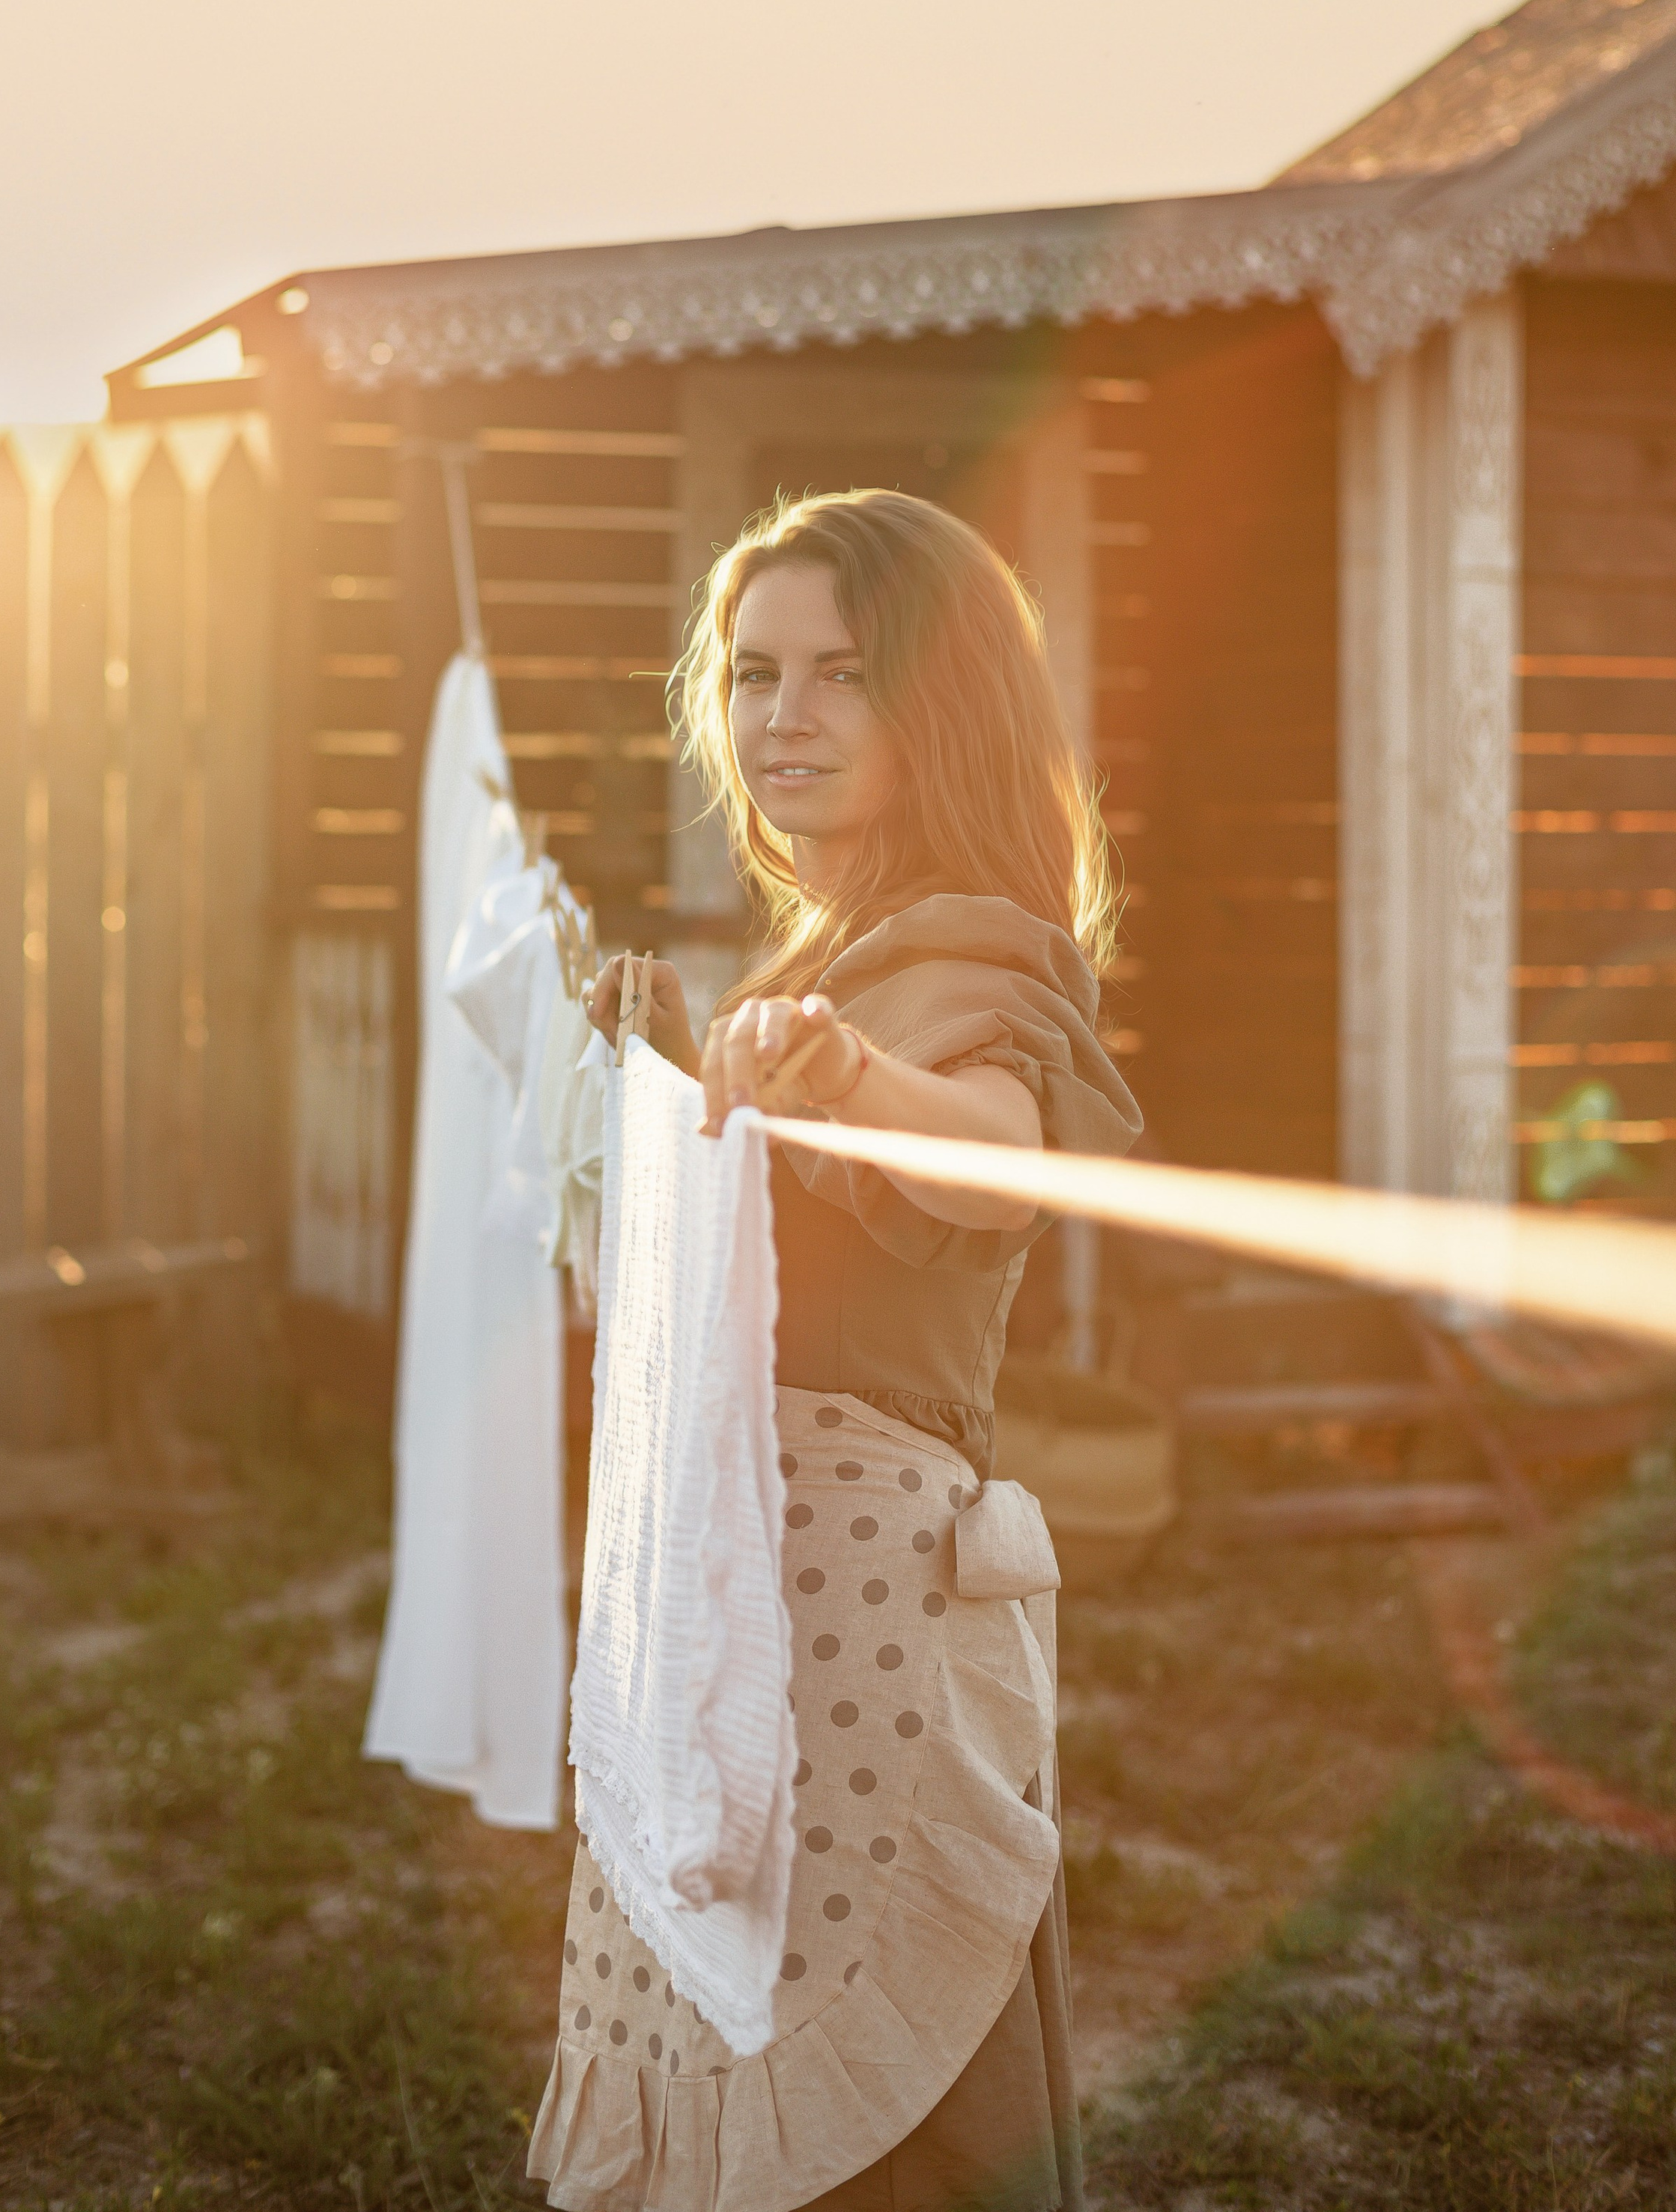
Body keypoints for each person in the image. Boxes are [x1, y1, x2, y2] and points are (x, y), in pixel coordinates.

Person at [526, 488, 1141, 2212]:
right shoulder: (826, 957)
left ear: (936, 704)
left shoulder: (975, 957)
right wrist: (647, 1087)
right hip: (728, 1608)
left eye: (839, 675)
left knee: (882, 2133)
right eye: (750, 673)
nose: (778, 716)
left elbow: (996, 1144)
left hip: (864, 1618)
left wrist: (858, 1088)